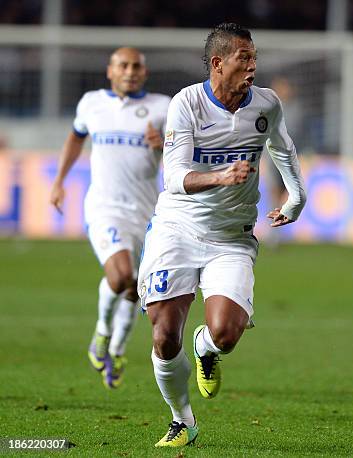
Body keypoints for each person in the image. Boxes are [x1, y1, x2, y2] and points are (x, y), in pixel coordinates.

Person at [138, 23, 306, 447]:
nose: (252, 67)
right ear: (218, 63)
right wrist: (221, 176)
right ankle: (182, 421)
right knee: (162, 331)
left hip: (232, 235)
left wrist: (296, 200)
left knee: (227, 334)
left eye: (255, 59)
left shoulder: (266, 103)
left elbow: (282, 148)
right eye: (243, 59)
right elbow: (174, 176)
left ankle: (205, 348)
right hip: (178, 227)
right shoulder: (187, 103)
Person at [50, 47, 170, 389]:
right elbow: (75, 138)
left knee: (137, 288)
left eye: (136, 66)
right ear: (110, 71)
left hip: (147, 212)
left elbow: (181, 154)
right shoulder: (91, 103)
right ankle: (102, 333)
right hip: (104, 208)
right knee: (120, 277)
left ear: (144, 73)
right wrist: (59, 181)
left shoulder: (163, 107)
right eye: (123, 65)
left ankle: (116, 348)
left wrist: (162, 145)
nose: (129, 71)